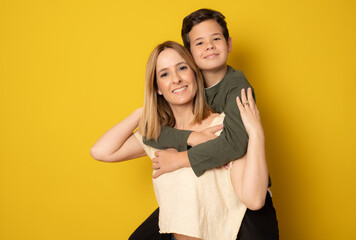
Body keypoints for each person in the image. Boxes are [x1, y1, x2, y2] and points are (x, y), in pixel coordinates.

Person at [90, 41, 269, 240]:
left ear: (194, 74)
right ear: (157, 87)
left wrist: (255, 133)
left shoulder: (223, 128)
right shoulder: (157, 135)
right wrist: (142, 112)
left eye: (182, 68)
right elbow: (101, 151)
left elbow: (254, 199)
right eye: (164, 74)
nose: (175, 79)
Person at [131, 9, 279, 240]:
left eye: (216, 39)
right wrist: (190, 137)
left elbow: (235, 144)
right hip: (209, 193)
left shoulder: (237, 87)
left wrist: (179, 159)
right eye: (199, 42)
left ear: (229, 44)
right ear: (189, 54)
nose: (209, 46)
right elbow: (151, 135)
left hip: (247, 191)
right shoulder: (185, 85)